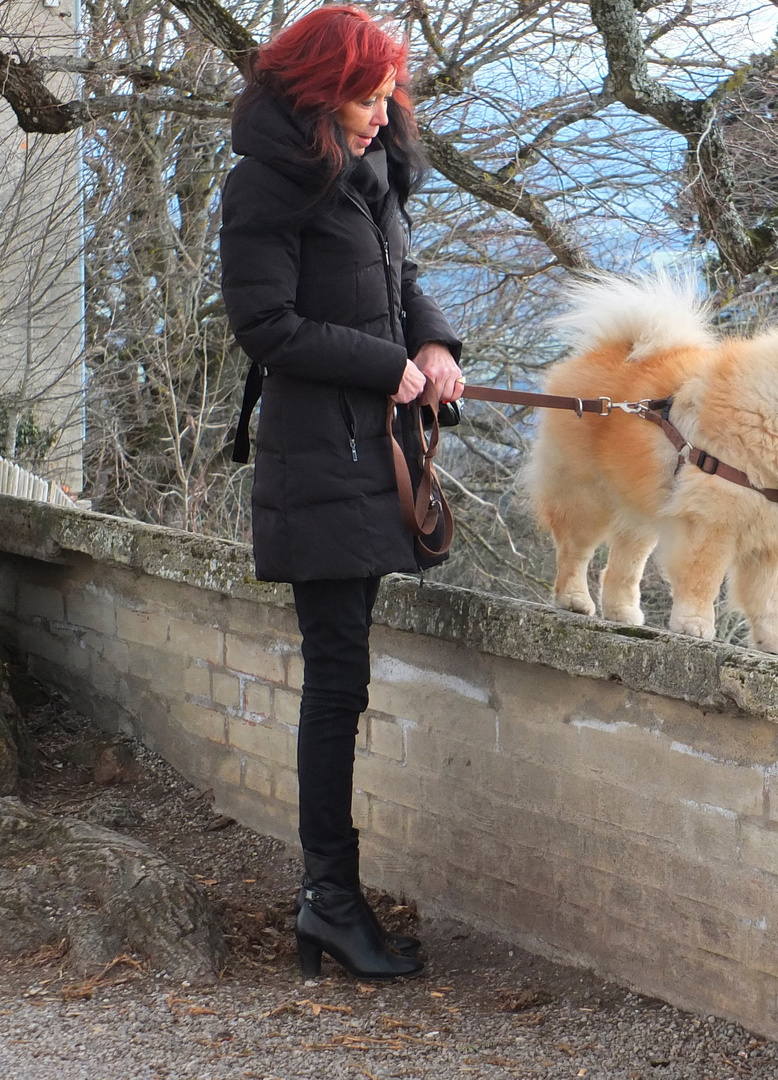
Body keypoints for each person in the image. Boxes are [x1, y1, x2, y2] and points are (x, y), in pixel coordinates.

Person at [219, 5, 463, 981]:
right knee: (334, 686)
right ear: (319, 92)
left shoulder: (369, 170)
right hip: (316, 461)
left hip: (372, 456)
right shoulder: (264, 184)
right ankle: (327, 900)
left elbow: (398, 281)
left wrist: (434, 343)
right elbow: (264, 325)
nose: (378, 111)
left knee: (343, 680)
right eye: (362, 96)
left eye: (384, 94)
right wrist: (382, 366)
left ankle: (332, 900)